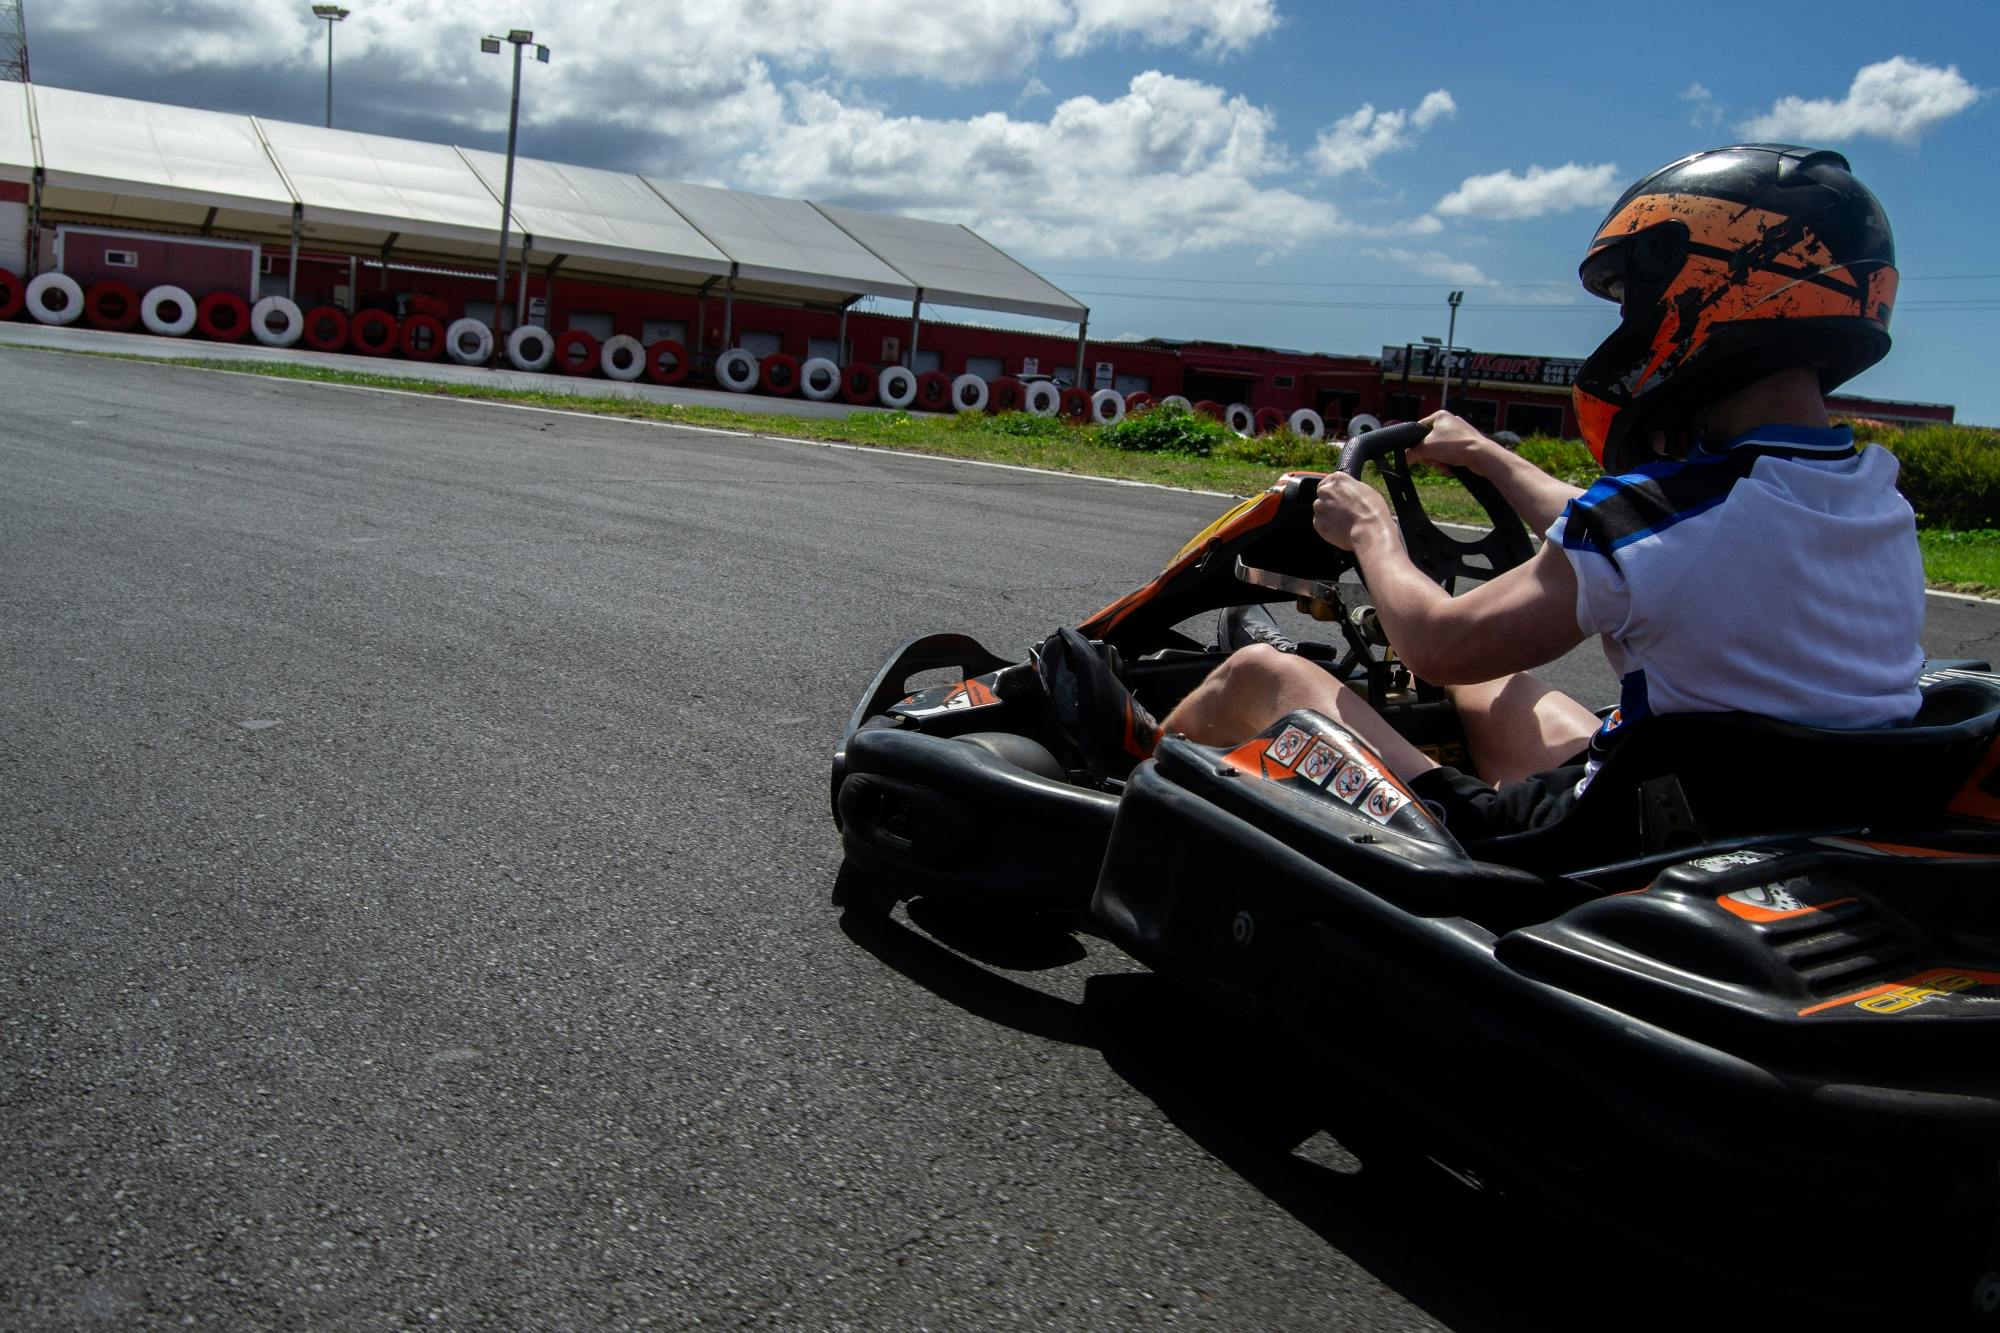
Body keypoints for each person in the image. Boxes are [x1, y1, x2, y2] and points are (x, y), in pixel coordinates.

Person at [1038, 143, 1926, 840]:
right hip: (1761, 815)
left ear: (1715, 291)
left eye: (1636, 301)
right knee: (1500, 686)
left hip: (1603, 842)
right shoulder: (1869, 496)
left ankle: (1119, 794)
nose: (1632, 327)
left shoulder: (1670, 517)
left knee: (1267, 671)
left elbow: (1436, 646)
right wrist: (1492, 461)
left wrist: (1371, 533)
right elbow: (1641, 535)